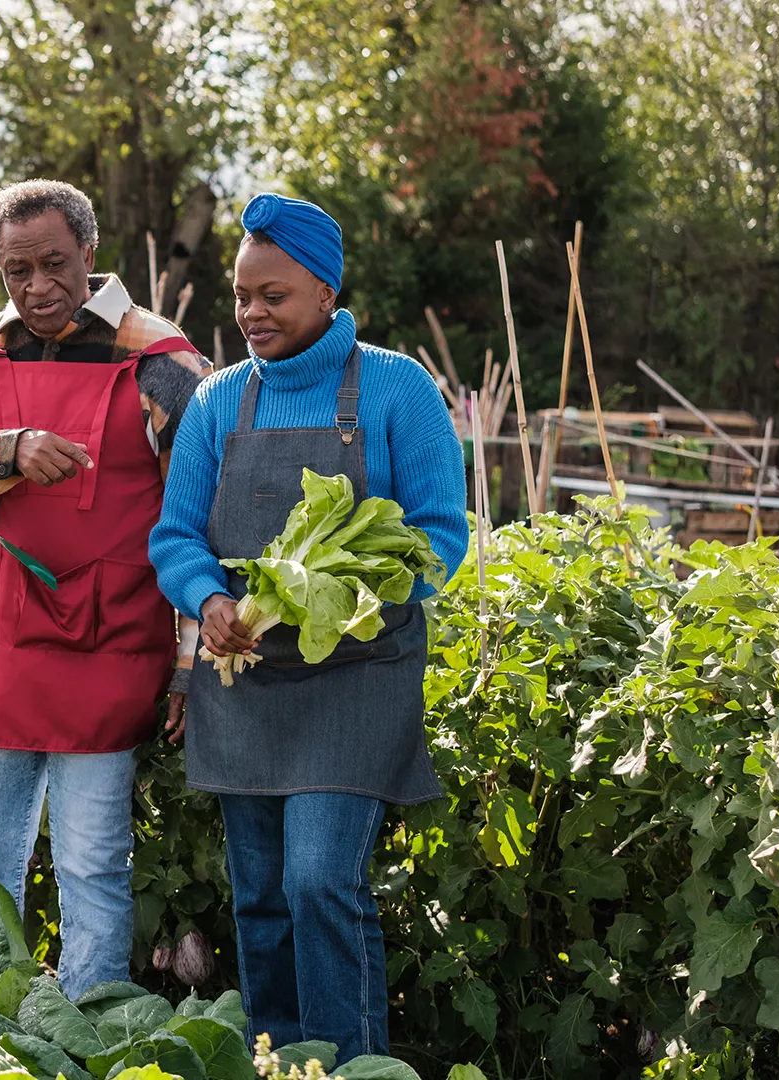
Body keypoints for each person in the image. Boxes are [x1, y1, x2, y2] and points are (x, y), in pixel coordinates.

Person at [148, 193, 469, 1060]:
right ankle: (281, 1061)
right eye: (243, 296)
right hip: (247, 686)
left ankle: (353, 1064)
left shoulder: (397, 386)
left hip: (357, 678)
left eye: (274, 295)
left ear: (326, 291)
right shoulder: (219, 402)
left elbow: (441, 533)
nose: (252, 313)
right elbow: (176, 534)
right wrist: (211, 601)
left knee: (321, 880)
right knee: (258, 895)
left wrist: (342, 587)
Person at [0, 179, 210, 997]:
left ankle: (90, 1018)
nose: (37, 287)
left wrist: (191, 663)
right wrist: (3, 454)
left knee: (93, 855)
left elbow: (201, 519)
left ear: (90, 254)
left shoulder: (160, 356)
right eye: (16, 271)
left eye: (53, 264)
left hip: (108, 646)